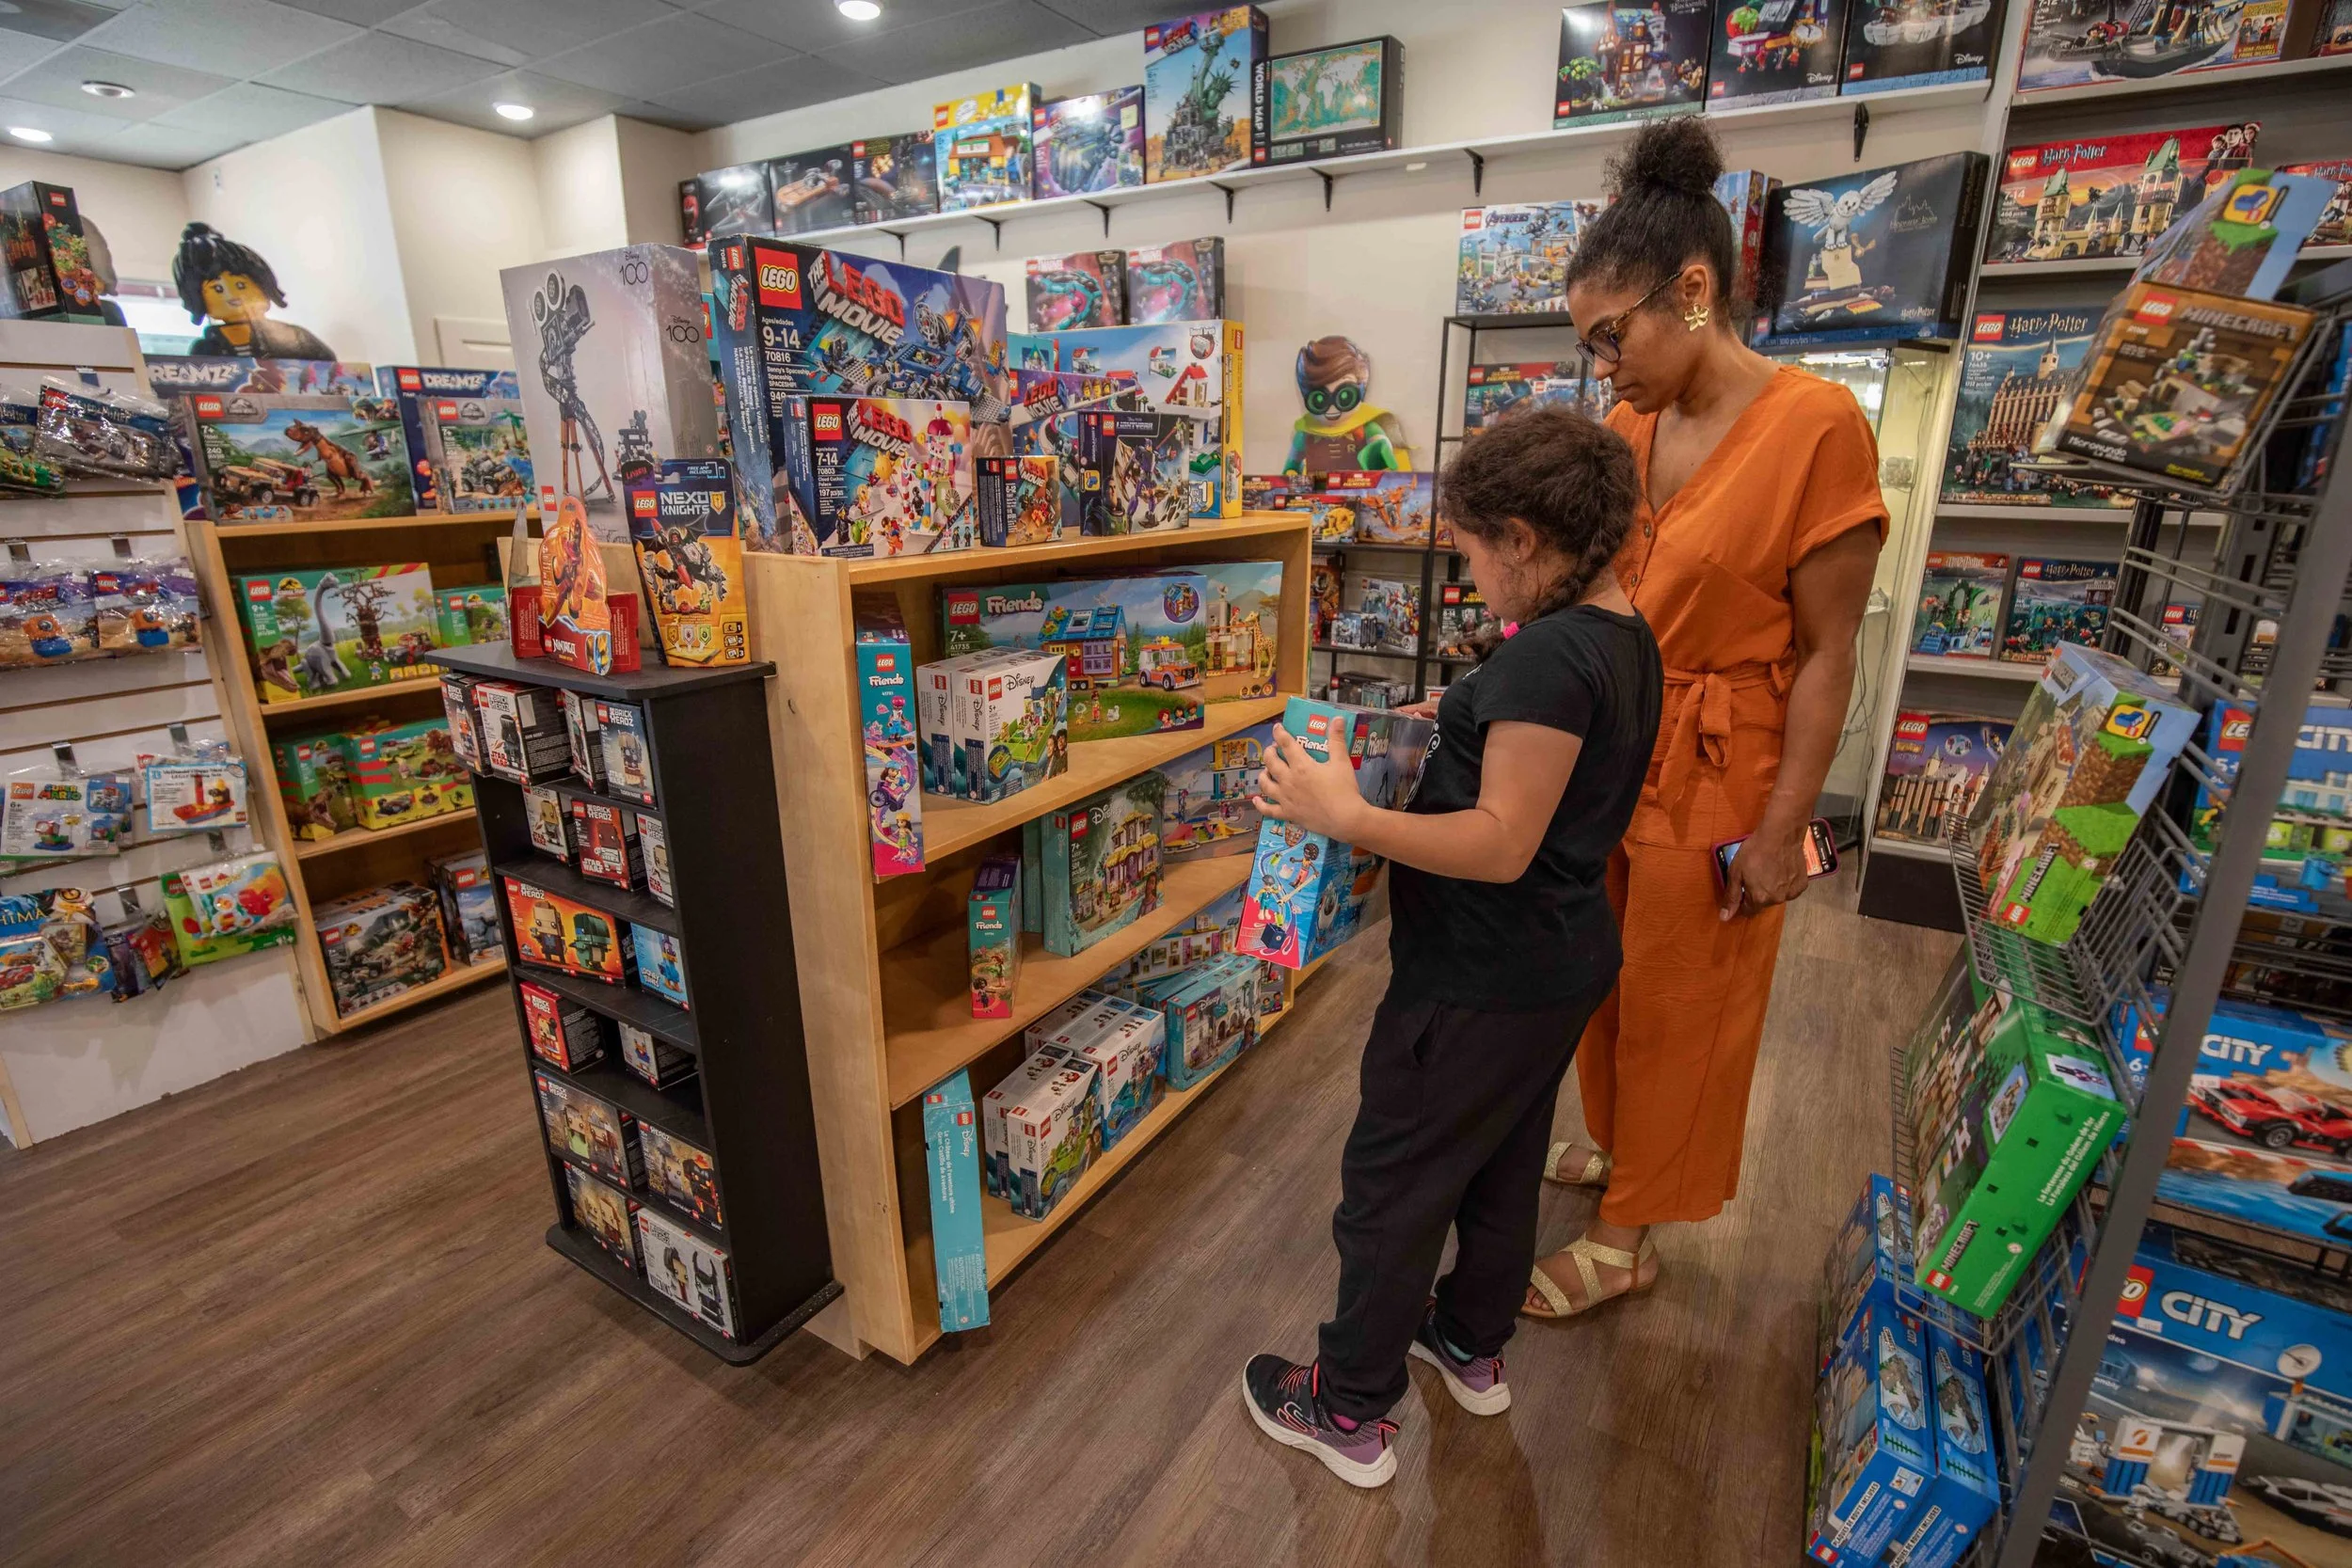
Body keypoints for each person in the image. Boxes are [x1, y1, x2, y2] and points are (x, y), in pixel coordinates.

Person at [1240, 406, 1664, 1487]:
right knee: (1502, 1160)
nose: (1469, 575)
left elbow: (1500, 840)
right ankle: (1470, 1342)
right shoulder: (1618, 633)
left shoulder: (1547, 659)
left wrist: (1347, 817)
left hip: (1474, 979)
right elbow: (1539, 757)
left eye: (1472, 552)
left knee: (1393, 1184)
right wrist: (1460, 712)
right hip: (1555, 968)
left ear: (1522, 538)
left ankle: (1346, 1407)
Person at [1525, 117, 1884, 1320]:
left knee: (1687, 995)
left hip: (1728, 763)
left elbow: (1831, 649)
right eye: (1588, 344)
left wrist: (1786, 830)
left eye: (1610, 335)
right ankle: (1623, 1149)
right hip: (1617, 743)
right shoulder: (1630, 428)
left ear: (1692, 290)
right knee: (1599, 975)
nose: (1601, 366)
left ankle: (1631, 1232)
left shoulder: (1817, 424)